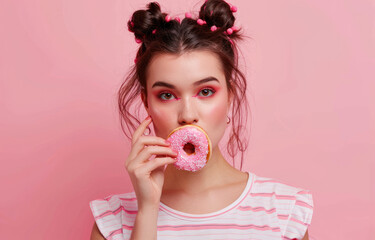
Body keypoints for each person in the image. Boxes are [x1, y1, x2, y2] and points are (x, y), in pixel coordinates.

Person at [89, 0, 314, 239]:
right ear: (146, 102)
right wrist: (147, 210)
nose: (187, 115)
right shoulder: (113, 220)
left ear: (231, 95)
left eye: (206, 91)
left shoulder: (282, 213)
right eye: (166, 95)